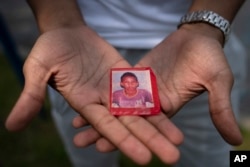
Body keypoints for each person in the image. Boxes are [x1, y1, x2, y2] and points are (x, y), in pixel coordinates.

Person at [5, 0, 247, 167]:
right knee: (88, 159)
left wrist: (205, 28)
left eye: (133, 85)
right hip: (80, 62)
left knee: (217, 161)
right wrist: (59, 23)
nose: (131, 87)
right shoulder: (107, 84)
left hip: (194, 51)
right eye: (128, 85)